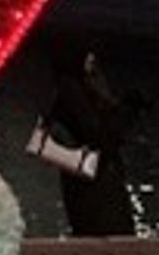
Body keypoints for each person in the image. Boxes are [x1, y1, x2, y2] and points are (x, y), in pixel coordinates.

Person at [42, 42, 144, 238]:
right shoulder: (75, 95)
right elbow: (100, 137)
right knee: (107, 233)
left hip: (86, 180)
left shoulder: (67, 93)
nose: (92, 63)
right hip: (96, 184)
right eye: (87, 58)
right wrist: (127, 112)